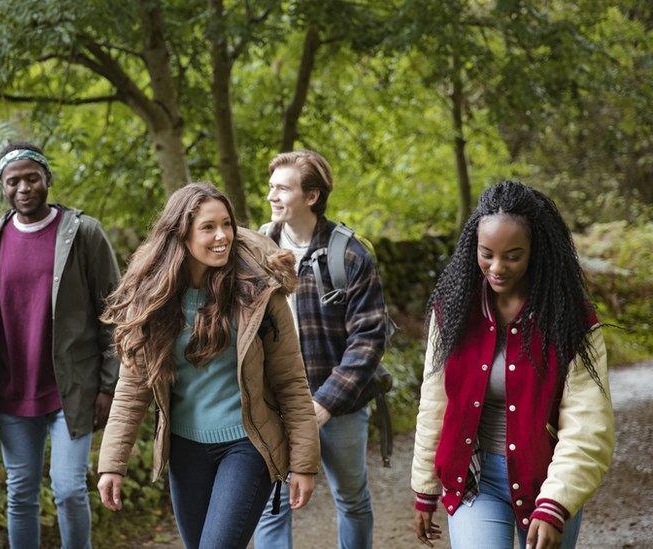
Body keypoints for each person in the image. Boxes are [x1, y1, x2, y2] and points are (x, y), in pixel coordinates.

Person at [96, 183, 320, 549]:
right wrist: (111, 464)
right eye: (208, 227)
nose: (222, 236)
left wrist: (304, 463)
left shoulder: (259, 291)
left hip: (248, 445)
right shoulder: (154, 297)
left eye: (227, 224)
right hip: (186, 450)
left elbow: (292, 382)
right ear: (180, 234)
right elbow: (131, 390)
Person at [0, 141, 121, 549]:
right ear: (1, 186)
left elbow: (114, 310)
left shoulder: (82, 232)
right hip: (13, 390)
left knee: (69, 490)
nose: (23, 188)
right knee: (20, 494)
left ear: (47, 179)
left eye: (32, 178)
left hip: (71, 388)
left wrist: (109, 384)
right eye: (13, 181)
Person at [410, 180, 614, 549]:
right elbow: (435, 400)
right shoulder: (454, 311)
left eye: (513, 255)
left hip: (547, 480)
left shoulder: (573, 320)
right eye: (486, 253)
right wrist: (425, 487)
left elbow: (588, 424)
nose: (497, 267)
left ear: (538, 251)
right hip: (475, 480)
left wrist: (555, 504)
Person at [253, 150, 389, 549]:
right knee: (272, 504)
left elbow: (369, 339)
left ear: (311, 196)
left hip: (340, 407)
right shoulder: (258, 250)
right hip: (275, 403)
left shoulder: (349, 254)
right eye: (270, 187)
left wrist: (325, 403)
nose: (272, 196)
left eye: (282, 188)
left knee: (351, 499)